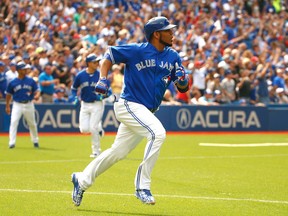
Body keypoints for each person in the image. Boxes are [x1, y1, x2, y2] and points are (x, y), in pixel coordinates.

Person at [71, 16, 189, 206]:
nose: (172, 33)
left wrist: (183, 81)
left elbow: (182, 87)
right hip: (129, 105)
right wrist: (102, 78)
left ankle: (81, 180)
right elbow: (109, 54)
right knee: (158, 133)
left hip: (146, 111)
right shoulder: (137, 50)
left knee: (117, 152)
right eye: (168, 30)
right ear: (156, 34)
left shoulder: (173, 56)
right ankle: (143, 186)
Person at [71, 53, 106, 158]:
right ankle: (99, 127)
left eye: (98, 62)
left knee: (92, 128)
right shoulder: (80, 75)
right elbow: (73, 88)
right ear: (89, 63)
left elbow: (107, 90)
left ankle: (96, 151)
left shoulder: (100, 75)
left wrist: (102, 96)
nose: (97, 63)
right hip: (85, 104)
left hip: (97, 104)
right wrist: (75, 97)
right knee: (84, 129)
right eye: (95, 62)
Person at [5, 61, 40, 149]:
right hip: (17, 104)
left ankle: (35, 141)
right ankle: (11, 142)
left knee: (32, 123)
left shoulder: (30, 80)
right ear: (19, 70)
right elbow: (8, 94)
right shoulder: (13, 82)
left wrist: (37, 95)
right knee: (13, 122)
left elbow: (37, 90)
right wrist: (7, 106)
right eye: (24, 69)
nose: (26, 70)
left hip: (29, 103)